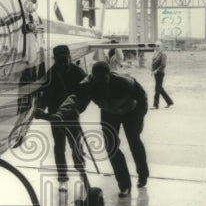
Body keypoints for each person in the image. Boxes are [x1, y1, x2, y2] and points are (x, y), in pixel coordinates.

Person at [47, 59, 149, 198]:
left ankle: (143, 175)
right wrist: (60, 113)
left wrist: (140, 120)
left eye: (104, 78)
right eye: (97, 79)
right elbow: (74, 99)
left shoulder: (125, 82)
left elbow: (142, 98)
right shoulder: (88, 84)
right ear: (93, 77)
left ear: (110, 75)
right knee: (111, 147)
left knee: (134, 142)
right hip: (109, 113)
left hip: (130, 112)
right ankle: (124, 185)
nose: (101, 82)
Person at [34, 45, 88, 190]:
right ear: (55, 60)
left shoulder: (78, 72)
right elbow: (45, 95)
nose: (63, 63)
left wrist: (79, 108)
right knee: (59, 146)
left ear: (70, 57)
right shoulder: (51, 73)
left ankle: (82, 171)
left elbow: (85, 93)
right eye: (59, 60)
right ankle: (62, 177)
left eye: (65, 59)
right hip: (54, 114)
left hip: (71, 113)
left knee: (75, 145)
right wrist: (40, 108)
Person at [151, 40, 174, 109]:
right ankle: (169, 102)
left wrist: (156, 71)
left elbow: (163, 65)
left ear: (161, 47)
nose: (156, 47)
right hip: (155, 73)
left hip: (160, 73)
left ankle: (155, 105)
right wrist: (152, 71)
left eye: (158, 46)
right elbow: (154, 63)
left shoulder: (163, 54)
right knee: (160, 89)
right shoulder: (155, 53)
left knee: (157, 89)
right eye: (155, 46)